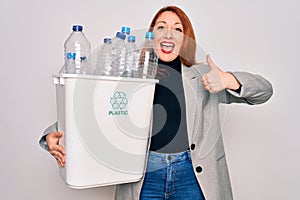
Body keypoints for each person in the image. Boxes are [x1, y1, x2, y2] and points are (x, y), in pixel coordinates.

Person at [39, 5, 273, 200]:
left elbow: (264, 91)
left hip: (192, 175)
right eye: (162, 27)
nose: (169, 34)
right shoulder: (131, 76)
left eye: (177, 29)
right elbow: (91, 110)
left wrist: (228, 80)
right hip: (144, 174)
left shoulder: (204, 76)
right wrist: (53, 133)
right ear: (152, 36)